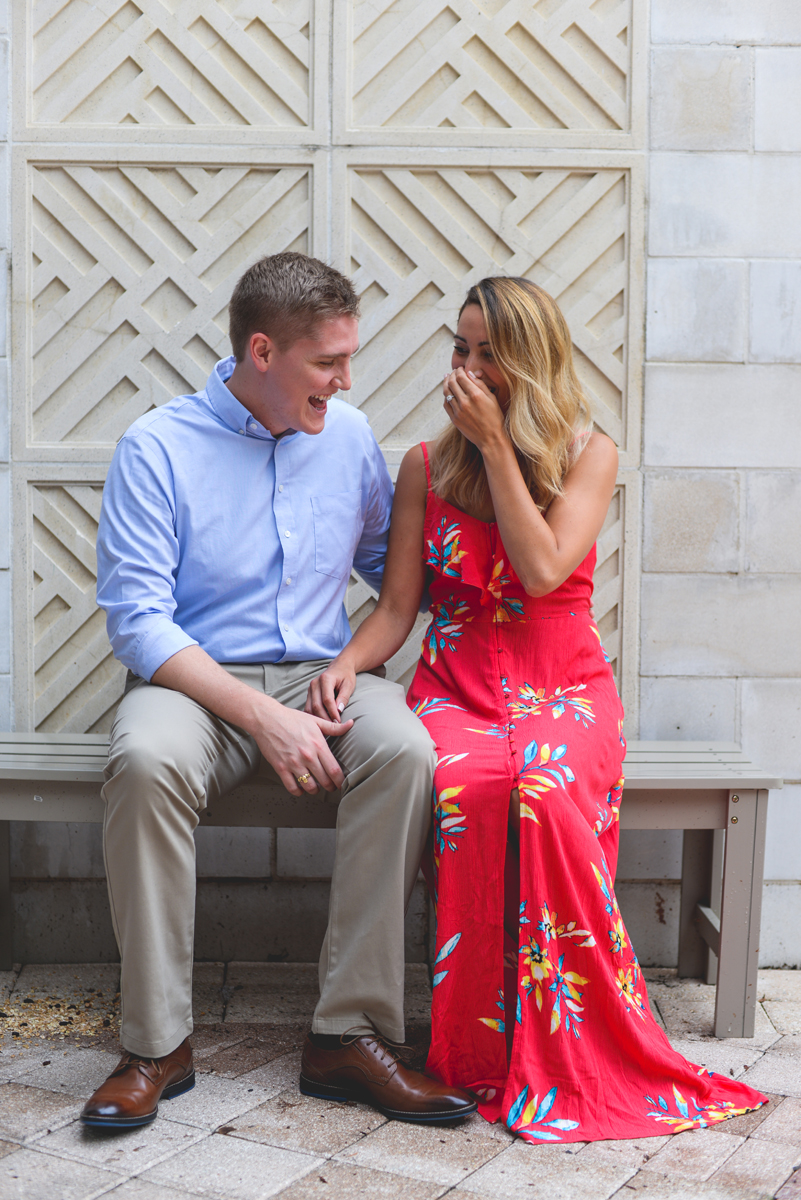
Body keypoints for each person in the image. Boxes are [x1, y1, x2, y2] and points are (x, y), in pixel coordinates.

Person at [305, 276, 768, 1142]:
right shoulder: (421, 466)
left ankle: (569, 1041)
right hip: (457, 686)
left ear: (529, 361)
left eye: (489, 353)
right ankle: (478, 1056)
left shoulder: (590, 452)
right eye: (460, 349)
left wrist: (497, 452)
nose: (469, 368)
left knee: (543, 795)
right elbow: (399, 608)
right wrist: (345, 662)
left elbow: (546, 566)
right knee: (470, 791)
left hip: (564, 685)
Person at [83, 251, 476, 1129]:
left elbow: (391, 578)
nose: (344, 381)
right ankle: (155, 1044)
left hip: (321, 677)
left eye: (348, 360)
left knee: (406, 751)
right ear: (263, 352)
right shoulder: (157, 447)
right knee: (143, 760)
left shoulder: (348, 439)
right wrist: (259, 715)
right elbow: (139, 622)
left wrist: (351, 664)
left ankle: (349, 1036)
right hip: (195, 682)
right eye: (327, 362)